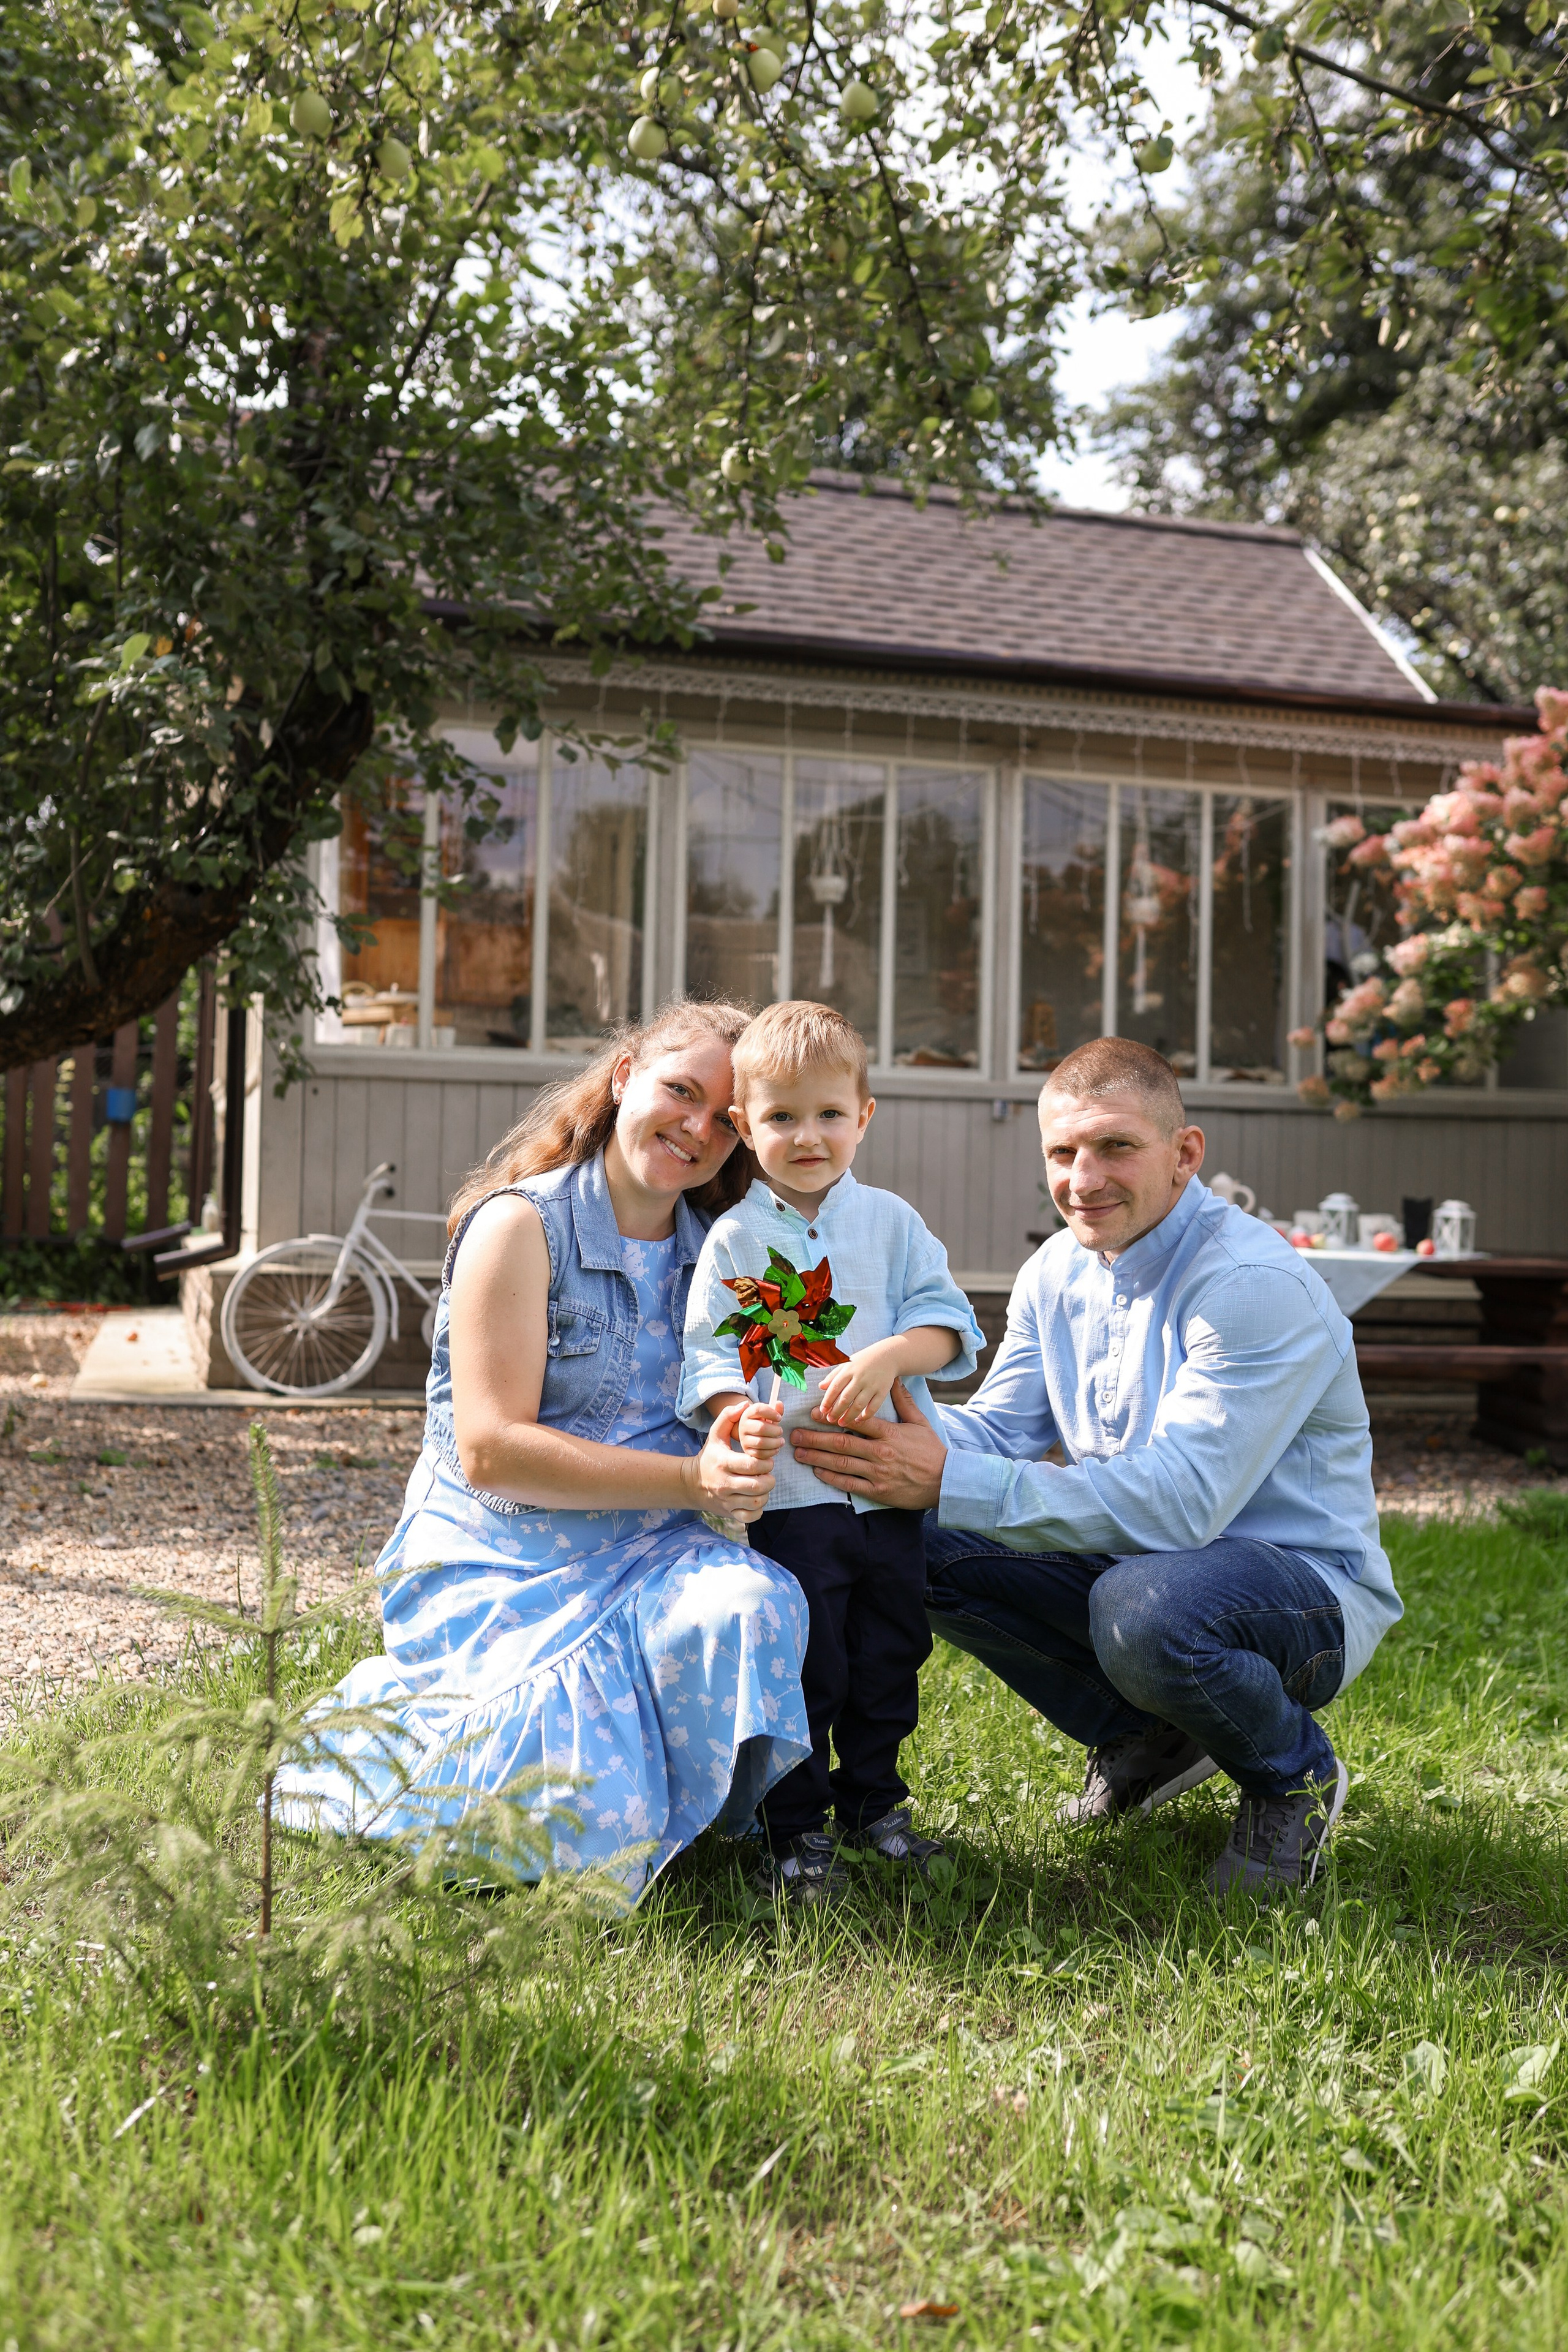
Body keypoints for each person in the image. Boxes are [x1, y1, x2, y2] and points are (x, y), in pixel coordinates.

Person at [790, 1036, 1402, 1900]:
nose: (1084, 1178)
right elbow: (1001, 1432)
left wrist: (943, 1479)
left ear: (1185, 1155)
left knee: (1144, 1609)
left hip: (1301, 1592)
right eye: (1063, 1152)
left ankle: (1289, 1776)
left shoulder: (1251, 1283)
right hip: (1142, 1566)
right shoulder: (1057, 1269)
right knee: (907, 1530)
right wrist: (863, 1415)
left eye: (1116, 1146)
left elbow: (1183, 1506)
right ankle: (1155, 1738)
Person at [276, 998, 812, 1898]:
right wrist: (693, 1477)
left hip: (649, 1550)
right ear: (622, 1078)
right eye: (678, 1090)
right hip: (499, 1554)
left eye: (723, 1119)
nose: (693, 1127)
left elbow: (785, 1378)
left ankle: (689, 1817)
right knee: (534, 1811)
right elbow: (491, 1452)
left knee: (753, 1605)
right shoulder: (521, 1228)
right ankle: (388, 1750)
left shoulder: (725, 1257)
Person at [679, 1001, 983, 1905]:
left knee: (891, 1651)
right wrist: (739, 1413)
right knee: (810, 1663)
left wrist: (892, 1353)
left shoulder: (890, 1224)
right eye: (779, 1117)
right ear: (743, 1126)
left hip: (886, 1494)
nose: (806, 1137)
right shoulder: (736, 1239)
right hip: (797, 1499)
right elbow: (709, 1357)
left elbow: (950, 1326)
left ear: (864, 1116)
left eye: (827, 1114)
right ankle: (796, 1831)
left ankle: (875, 1805)